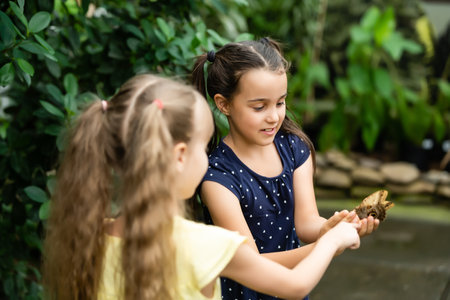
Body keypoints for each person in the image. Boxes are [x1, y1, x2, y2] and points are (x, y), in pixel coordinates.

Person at [41, 73, 360, 300]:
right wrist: (332, 241)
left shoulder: (90, 236)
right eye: (202, 147)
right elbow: (294, 286)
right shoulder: (207, 245)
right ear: (180, 156)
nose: (209, 159)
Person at [191, 37, 379, 299]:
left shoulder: (294, 148)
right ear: (224, 104)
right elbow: (251, 265)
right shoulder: (218, 178)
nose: (274, 116)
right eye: (259, 107)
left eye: (280, 103)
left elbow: (306, 223)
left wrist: (332, 228)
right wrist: (326, 246)